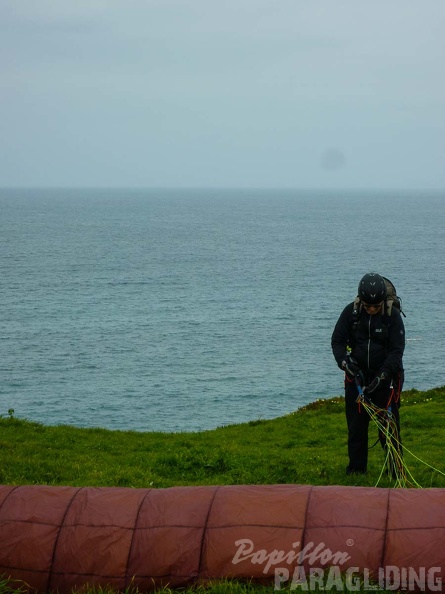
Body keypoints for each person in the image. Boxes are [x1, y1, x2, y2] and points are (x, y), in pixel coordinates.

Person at [331, 272, 405, 475]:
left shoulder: (393, 317)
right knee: (356, 426)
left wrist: (383, 375)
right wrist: (345, 363)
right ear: (360, 300)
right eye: (368, 305)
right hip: (356, 377)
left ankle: (395, 470)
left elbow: (397, 351)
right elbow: (337, 341)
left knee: (388, 427)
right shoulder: (350, 313)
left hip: (386, 379)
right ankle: (356, 471)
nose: (372, 309)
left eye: (376, 306)